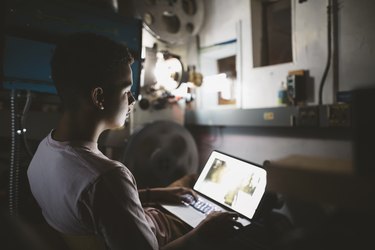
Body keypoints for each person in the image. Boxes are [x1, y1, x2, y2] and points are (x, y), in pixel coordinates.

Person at [27, 32, 242, 250]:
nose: (132, 100)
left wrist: (153, 194)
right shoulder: (107, 177)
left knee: (187, 190)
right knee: (196, 184)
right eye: (127, 90)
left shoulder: (42, 153)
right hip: (169, 235)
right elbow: (106, 196)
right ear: (99, 97)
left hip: (139, 219)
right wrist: (203, 234)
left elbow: (97, 207)